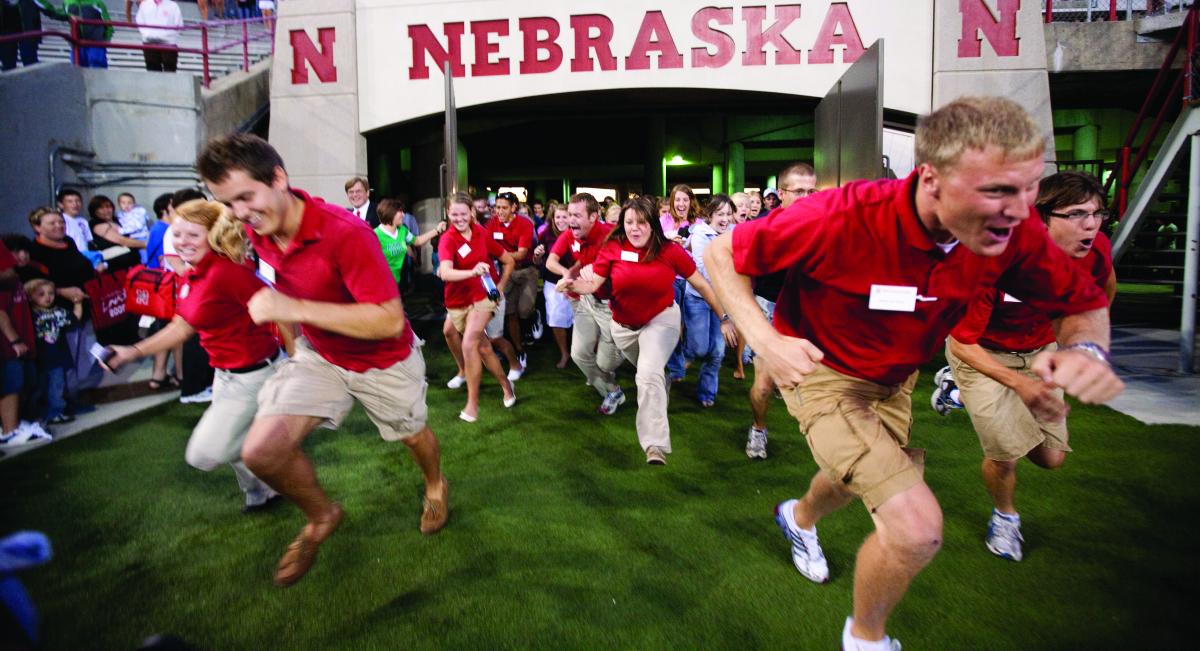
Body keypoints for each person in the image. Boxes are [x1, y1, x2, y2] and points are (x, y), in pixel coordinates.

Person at [706, 96, 1124, 650]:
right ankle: (865, 639)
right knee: (916, 527)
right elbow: (721, 255)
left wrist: (1086, 354)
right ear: (931, 179)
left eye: (1025, 190)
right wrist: (766, 341)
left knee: (861, 478)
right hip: (824, 373)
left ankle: (799, 516)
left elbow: (1085, 301)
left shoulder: (1009, 230)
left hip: (898, 377)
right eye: (993, 192)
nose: (1015, 213)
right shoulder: (841, 215)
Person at [196, 133, 448, 587]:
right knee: (261, 452)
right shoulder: (260, 230)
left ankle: (435, 484)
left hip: (383, 360)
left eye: (244, 197)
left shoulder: (345, 233)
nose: (239, 213)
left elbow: (390, 320)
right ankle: (321, 516)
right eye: (228, 203)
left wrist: (291, 310)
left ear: (278, 178)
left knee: (413, 437)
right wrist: (294, 341)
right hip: (321, 356)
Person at [944, 171, 1117, 563]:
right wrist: (1018, 386)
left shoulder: (1097, 248)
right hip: (981, 354)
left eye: (1097, 213)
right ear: (1041, 218)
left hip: (1041, 351)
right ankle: (1005, 518)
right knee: (1006, 455)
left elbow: (1104, 286)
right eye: (1075, 214)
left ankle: (953, 393)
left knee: (1051, 459)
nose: (1090, 224)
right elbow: (962, 341)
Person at [107, 199, 285, 513]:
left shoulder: (227, 273)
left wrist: (297, 357)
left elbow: (280, 308)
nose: (182, 242)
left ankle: (275, 470)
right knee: (234, 441)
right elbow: (182, 325)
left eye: (192, 235)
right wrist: (132, 352)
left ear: (213, 235)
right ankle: (261, 492)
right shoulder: (195, 274)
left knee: (204, 453)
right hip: (226, 375)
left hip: (255, 376)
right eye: (177, 234)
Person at [561, 197, 734, 465]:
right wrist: (571, 285)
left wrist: (724, 318)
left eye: (641, 222)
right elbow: (593, 284)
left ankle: (654, 445)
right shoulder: (613, 249)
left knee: (646, 374)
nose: (635, 228)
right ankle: (661, 379)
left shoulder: (670, 251)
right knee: (650, 373)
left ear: (653, 224)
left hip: (662, 320)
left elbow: (701, 285)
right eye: (629, 222)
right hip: (623, 328)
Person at [745, 162, 818, 459]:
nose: (806, 197)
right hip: (769, 309)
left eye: (812, 191)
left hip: (809, 312)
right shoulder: (762, 229)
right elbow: (739, 272)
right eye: (799, 191)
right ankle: (758, 428)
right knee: (763, 386)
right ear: (782, 194)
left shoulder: (823, 226)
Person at [437, 191, 517, 422]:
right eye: (454, 214)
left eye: (463, 214)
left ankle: (472, 405)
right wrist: (472, 271)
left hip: (483, 297)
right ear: (448, 213)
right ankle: (506, 385)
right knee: (483, 348)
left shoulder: (482, 233)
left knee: (469, 342)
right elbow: (445, 272)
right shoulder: (448, 239)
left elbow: (508, 260)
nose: (459, 219)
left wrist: (500, 286)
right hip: (457, 301)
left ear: (472, 212)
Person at [545, 193, 625, 415]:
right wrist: (566, 274)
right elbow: (552, 261)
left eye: (577, 215)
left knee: (605, 363)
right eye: (570, 214)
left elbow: (623, 270)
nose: (571, 220)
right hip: (587, 300)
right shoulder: (570, 235)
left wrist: (599, 273)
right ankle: (612, 390)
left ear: (593, 216)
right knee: (579, 354)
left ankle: (627, 358)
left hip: (611, 303)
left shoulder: (610, 235)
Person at [27, 207, 104, 410]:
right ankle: (61, 402)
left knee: (81, 357)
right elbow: (34, 285)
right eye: (52, 223)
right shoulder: (35, 252)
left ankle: (73, 395)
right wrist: (61, 292)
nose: (59, 226)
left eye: (60, 222)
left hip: (80, 308)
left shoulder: (68, 243)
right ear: (37, 227)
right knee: (62, 362)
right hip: (55, 315)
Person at [682, 195, 734, 407]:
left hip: (723, 301)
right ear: (710, 214)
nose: (725, 218)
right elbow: (705, 271)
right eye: (720, 214)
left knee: (718, 352)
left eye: (729, 214)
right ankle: (675, 364)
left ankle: (706, 393)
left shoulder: (733, 233)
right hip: (698, 299)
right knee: (699, 348)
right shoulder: (700, 235)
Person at [0, 242, 51, 448]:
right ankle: (10, 431)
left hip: (19, 341)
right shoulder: (4, 285)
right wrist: (15, 341)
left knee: (21, 383)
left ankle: (13, 425)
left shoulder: (12, 282)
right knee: (11, 384)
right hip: (8, 346)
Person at [486, 191, 535, 376]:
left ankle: (534, 317)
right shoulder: (491, 224)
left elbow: (522, 254)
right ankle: (519, 349)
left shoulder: (524, 223)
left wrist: (501, 255)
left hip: (526, 271)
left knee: (524, 310)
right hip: (506, 272)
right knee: (510, 313)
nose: (499, 211)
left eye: (504, 207)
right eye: (497, 207)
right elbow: (487, 248)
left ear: (514, 207)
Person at [24, 277, 80, 426]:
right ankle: (40, 413)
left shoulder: (58, 312)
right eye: (41, 294)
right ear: (30, 297)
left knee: (57, 385)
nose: (48, 297)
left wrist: (78, 303)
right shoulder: (30, 314)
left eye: (51, 293)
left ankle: (56, 412)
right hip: (39, 358)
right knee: (40, 388)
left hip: (57, 357)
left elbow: (74, 319)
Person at [532, 201, 572, 369]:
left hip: (577, 282)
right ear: (552, 218)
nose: (561, 220)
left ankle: (585, 354)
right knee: (556, 319)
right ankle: (564, 353)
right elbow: (536, 261)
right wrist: (537, 255)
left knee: (582, 321)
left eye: (565, 216)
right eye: (558, 217)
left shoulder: (578, 233)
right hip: (553, 283)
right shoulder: (546, 234)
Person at [374, 198, 443, 290]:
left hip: (396, 283)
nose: (403, 215)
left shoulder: (402, 230)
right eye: (400, 212)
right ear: (391, 214)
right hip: (380, 285)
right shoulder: (375, 234)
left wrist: (437, 230)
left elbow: (417, 241)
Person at [39, 0, 111, 68]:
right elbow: (59, 13)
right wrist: (43, 4)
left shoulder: (97, 2)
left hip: (96, 44)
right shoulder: (68, 2)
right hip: (77, 43)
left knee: (97, 69)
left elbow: (108, 23)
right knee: (77, 69)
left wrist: (105, 40)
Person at [89, 194, 143, 271]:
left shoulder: (119, 219)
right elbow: (122, 240)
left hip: (132, 262)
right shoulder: (96, 224)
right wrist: (145, 244)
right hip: (114, 265)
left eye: (108, 206)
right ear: (95, 211)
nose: (106, 210)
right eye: (101, 208)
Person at [135, 0, 182, 73]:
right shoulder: (144, 4)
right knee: (152, 69)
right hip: (149, 42)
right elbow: (139, 21)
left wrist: (166, 36)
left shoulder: (173, 6)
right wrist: (148, 34)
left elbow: (179, 25)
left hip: (168, 44)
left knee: (170, 70)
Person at [55, 189, 92, 254]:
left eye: (77, 201)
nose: (75, 204)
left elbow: (88, 241)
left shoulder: (83, 221)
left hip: (85, 256)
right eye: (70, 201)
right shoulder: (60, 221)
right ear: (60, 205)